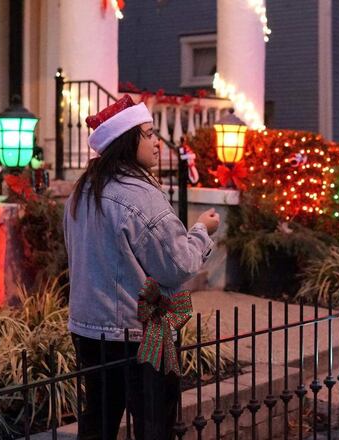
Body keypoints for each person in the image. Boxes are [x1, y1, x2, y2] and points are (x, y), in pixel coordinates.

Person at [64, 95, 220, 440]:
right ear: (125, 141)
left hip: (90, 328)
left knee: (98, 420)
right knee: (155, 424)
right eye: (148, 134)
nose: (157, 142)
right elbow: (178, 265)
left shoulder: (84, 189)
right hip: (140, 331)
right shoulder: (140, 196)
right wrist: (200, 230)